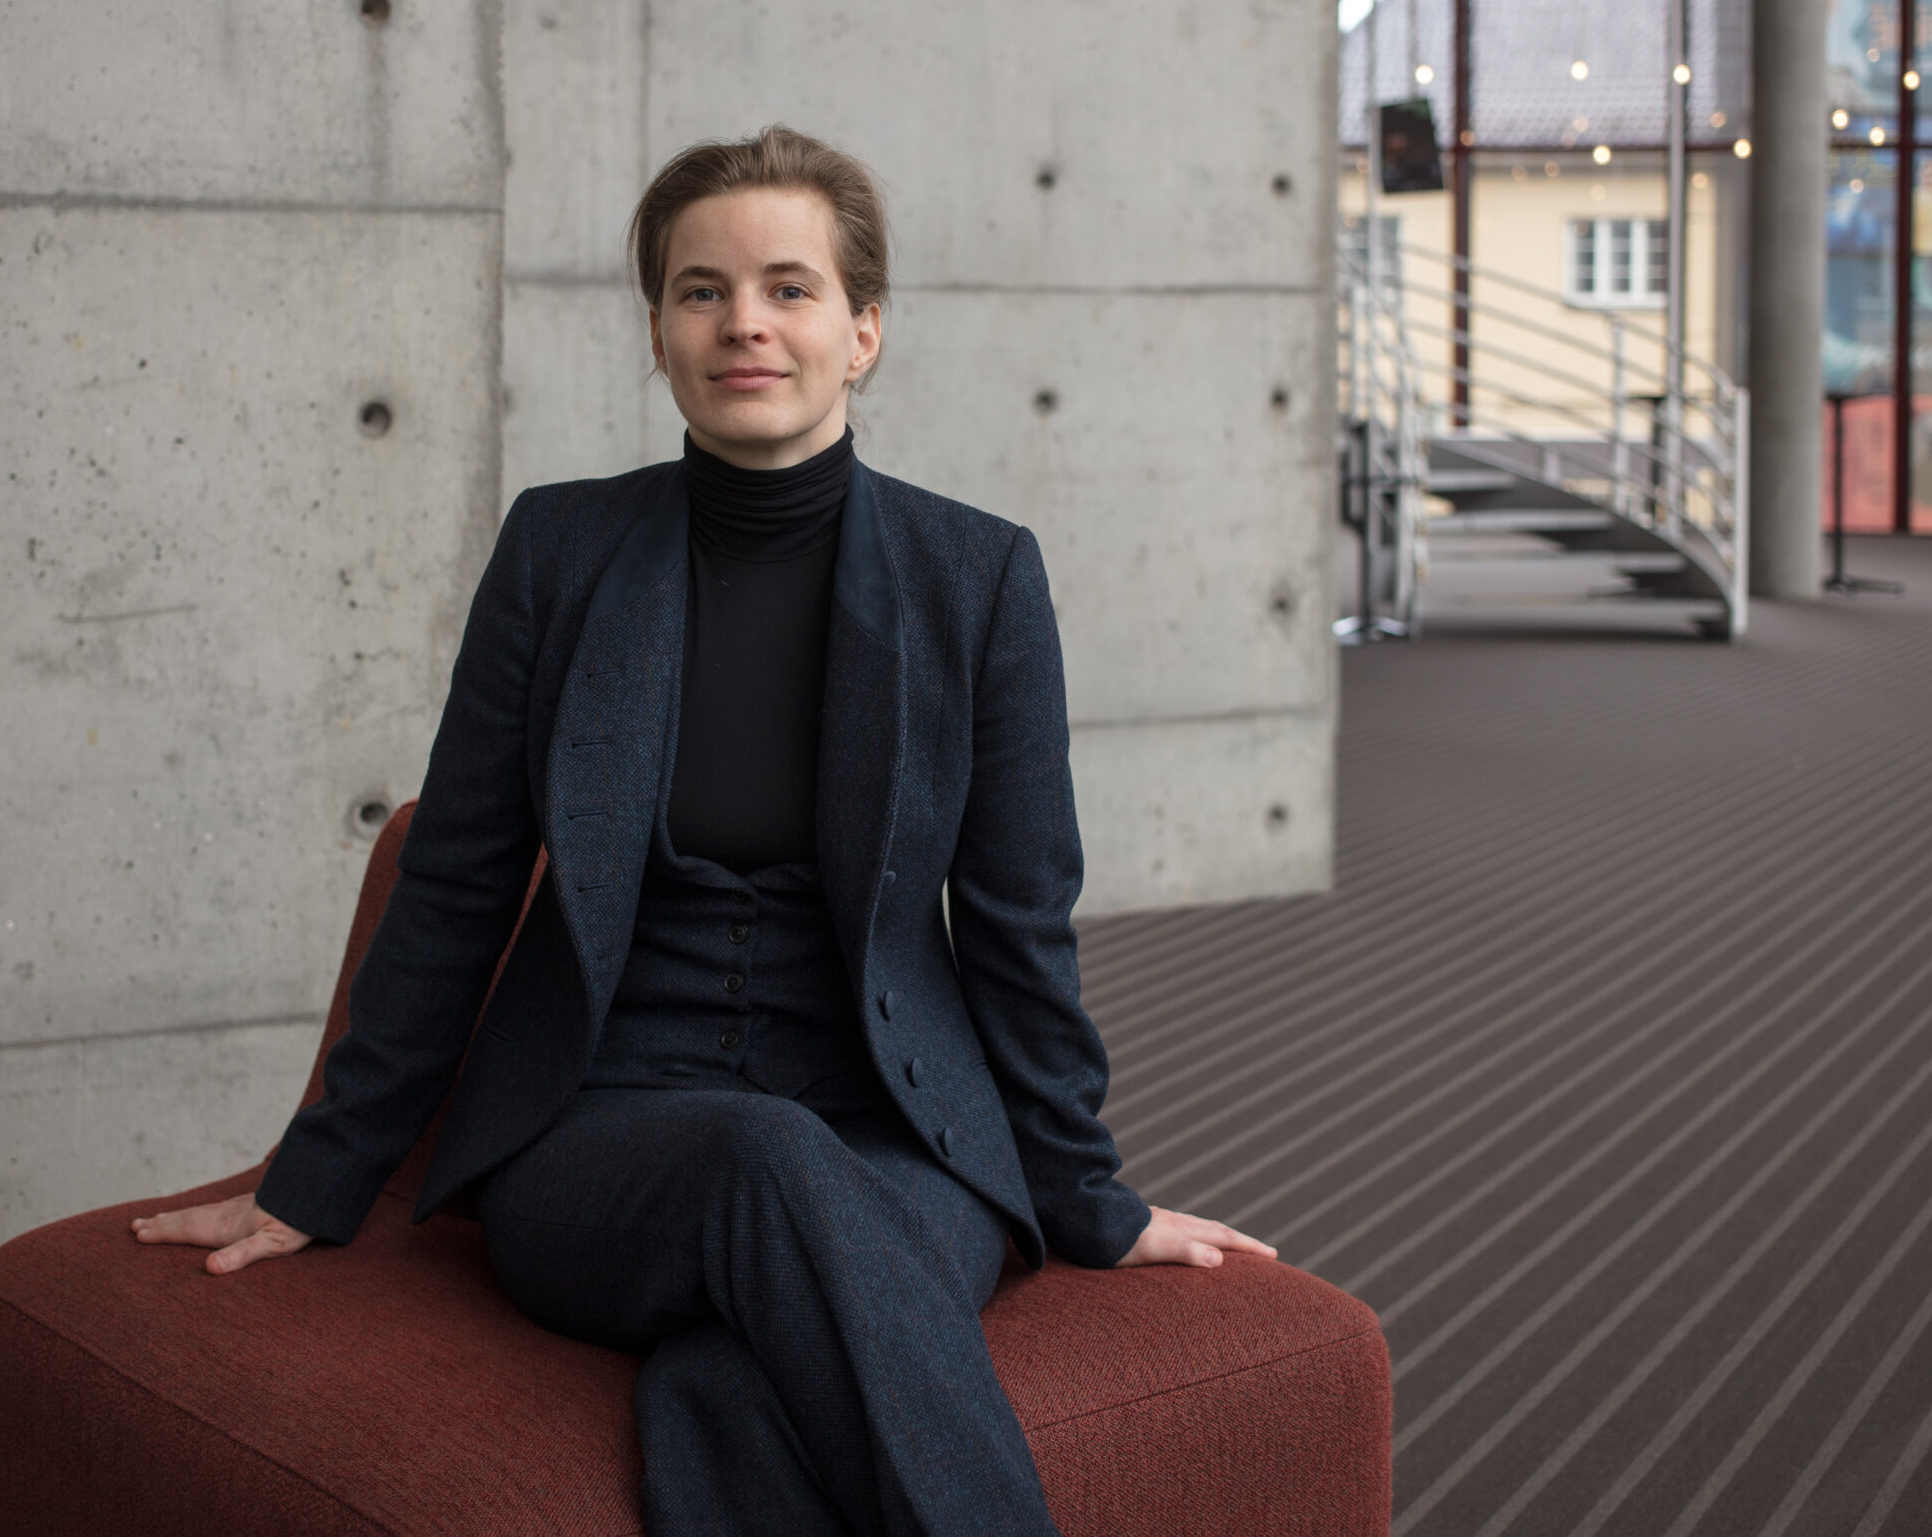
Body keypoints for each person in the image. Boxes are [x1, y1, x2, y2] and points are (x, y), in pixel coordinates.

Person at [131, 126, 1272, 1535]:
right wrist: (322, 1170)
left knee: (732, 1376)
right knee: (761, 1159)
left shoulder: (976, 577)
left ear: (863, 331)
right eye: (699, 290)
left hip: (898, 1134)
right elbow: (460, 882)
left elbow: (1020, 920)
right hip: (599, 1136)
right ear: (659, 332)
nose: (744, 322)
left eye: (790, 288)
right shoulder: (560, 553)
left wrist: (1085, 1190)